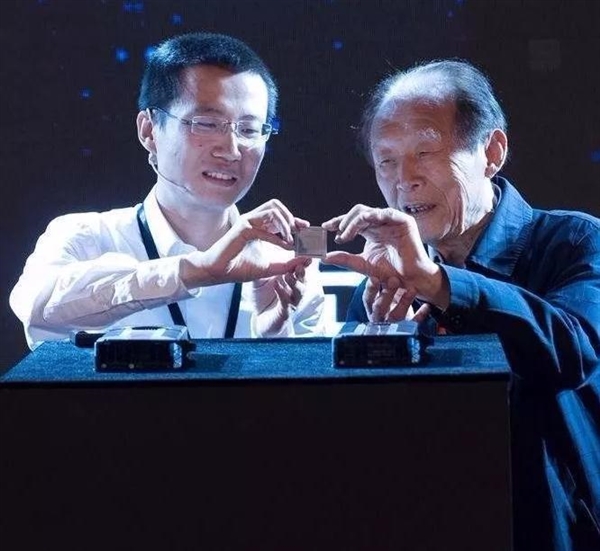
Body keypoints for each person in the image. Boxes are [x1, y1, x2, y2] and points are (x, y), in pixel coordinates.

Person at [322, 59, 600, 551]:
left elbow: (572, 351)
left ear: (492, 152)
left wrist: (439, 283)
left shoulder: (574, 240)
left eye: (425, 152)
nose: (404, 179)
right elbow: (356, 437)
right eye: (386, 161)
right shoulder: (387, 278)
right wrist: (379, 341)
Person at [10, 32, 324, 347]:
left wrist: (275, 338)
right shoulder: (87, 236)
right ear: (149, 130)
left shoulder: (286, 262)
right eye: (206, 123)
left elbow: (319, 377)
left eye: (249, 129)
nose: (231, 150)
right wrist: (196, 270)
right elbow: (36, 308)